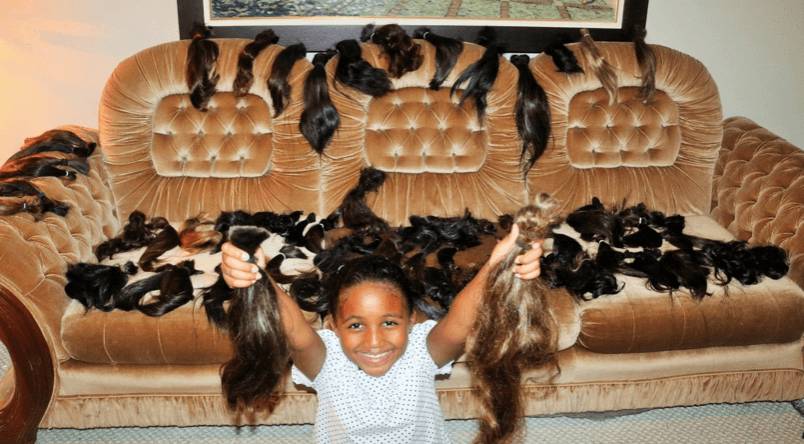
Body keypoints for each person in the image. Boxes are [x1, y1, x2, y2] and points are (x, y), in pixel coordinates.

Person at [221, 223, 543, 443]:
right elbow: (294, 331)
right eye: (355, 325)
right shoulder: (327, 361)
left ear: (412, 320)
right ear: (332, 325)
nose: (374, 342)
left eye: (389, 322)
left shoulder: (421, 351)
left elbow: (459, 319)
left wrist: (498, 266)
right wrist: (257, 277)